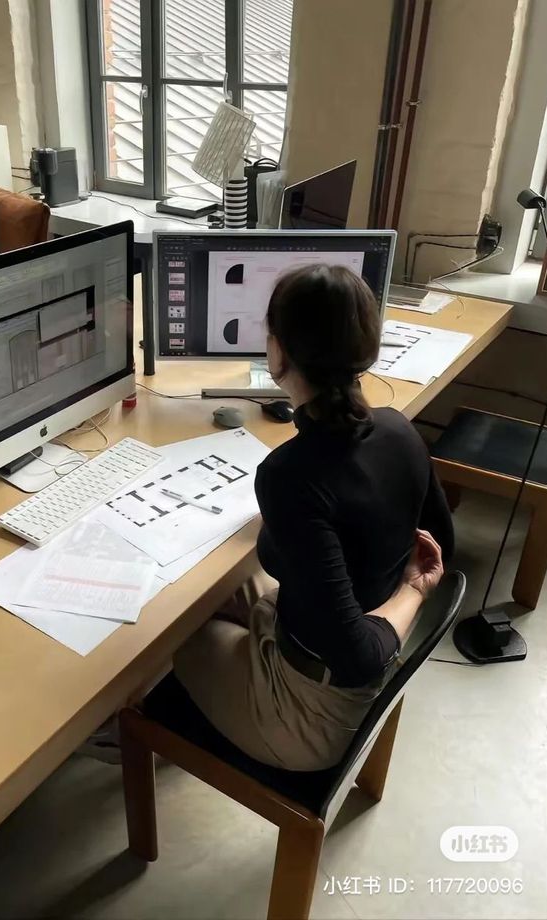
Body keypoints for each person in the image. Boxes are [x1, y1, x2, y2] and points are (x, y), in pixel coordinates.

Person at [173, 264, 454, 772]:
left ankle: (126, 737)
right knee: (210, 594)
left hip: (312, 712)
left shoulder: (289, 476)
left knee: (166, 639)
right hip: (337, 647)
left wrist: (413, 590)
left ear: (277, 350)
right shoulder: (398, 429)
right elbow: (438, 541)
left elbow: (357, 655)